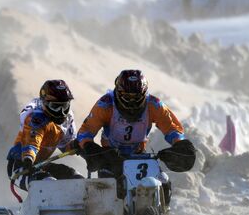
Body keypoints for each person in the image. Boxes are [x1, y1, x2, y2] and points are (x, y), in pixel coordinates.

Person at [76, 69, 196, 203]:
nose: (132, 102)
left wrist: (179, 143)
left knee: (164, 183)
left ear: (144, 94)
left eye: (137, 98)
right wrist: (90, 147)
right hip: (110, 157)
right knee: (107, 194)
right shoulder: (105, 104)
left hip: (139, 155)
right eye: (127, 97)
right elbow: (85, 131)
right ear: (119, 93)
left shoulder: (154, 105)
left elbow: (172, 127)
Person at [7, 79, 83, 191]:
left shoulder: (67, 118)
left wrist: (81, 147)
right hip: (21, 167)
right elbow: (32, 142)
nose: (61, 112)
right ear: (44, 103)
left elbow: (65, 146)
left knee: (78, 180)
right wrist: (28, 158)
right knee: (48, 184)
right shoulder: (36, 118)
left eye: (65, 106)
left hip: (41, 165)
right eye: (55, 106)